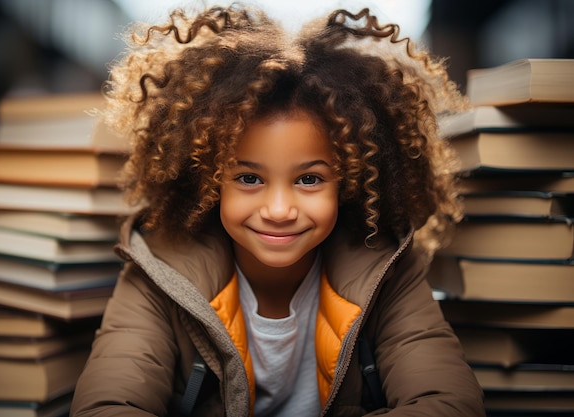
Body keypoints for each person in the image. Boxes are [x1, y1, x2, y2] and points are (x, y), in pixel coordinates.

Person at [70, 3, 485, 416]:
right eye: (249, 178)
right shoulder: (158, 272)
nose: (280, 210)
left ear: (349, 182)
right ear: (209, 181)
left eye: (309, 179)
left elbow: (448, 404)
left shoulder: (388, 267)